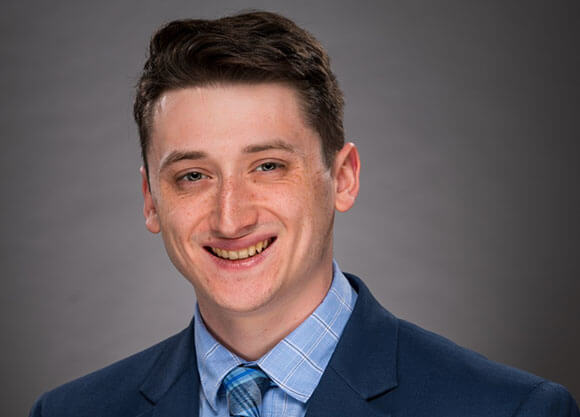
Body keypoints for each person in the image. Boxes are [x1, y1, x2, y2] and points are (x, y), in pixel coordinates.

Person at [29, 11, 578, 417]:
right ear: (151, 199)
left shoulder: (511, 409)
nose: (230, 217)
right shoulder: (68, 411)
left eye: (268, 166)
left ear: (342, 178)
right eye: (192, 176)